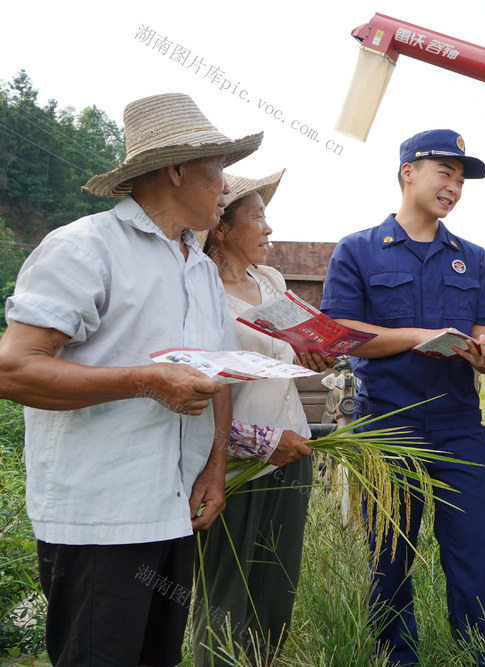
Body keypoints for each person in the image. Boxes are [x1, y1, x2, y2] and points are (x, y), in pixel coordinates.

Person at [0, 92, 261, 666]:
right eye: (218, 168)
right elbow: (13, 368)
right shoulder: (84, 248)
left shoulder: (198, 266)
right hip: (101, 516)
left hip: (174, 508)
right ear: (175, 169)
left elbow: (220, 376)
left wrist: (215, 469)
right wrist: (145, 381)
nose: (226, 184)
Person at [320, 129, 485, 667]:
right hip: (387, 423)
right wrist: (413, 337)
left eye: (460, 180)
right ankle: (395, 657)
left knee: (475, 552)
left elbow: (482, 329)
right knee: (390, 557)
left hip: (457, 425)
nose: (453, 187)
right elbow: (338, 329)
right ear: (408, 171)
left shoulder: (471, 257)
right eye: (444, 173)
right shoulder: (358, 249)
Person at [193, 170, 327, 665]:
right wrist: (260, 442)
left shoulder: (269, 281)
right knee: (228, 599)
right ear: (222, 228)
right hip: (232, 464)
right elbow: (201, 384)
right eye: (258, 217)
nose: (269, 229)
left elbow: (297, 344)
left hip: (293, 453)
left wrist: (319, 352)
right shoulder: (198, 286)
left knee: (275, 593)